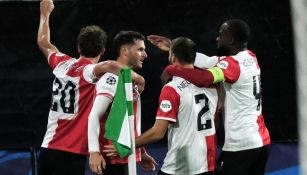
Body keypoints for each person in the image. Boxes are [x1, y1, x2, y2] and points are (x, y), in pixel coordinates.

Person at [150, 19, 271, 175]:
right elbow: (207, 61)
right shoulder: (250, 57)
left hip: (242, 145)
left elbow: (204, 79)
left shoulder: (233, 65)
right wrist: (174, 46)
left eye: (221, 35)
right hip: (262, 141)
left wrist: (173, 68)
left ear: (231, 39)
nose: (217, 38)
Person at [37, 1, 144, 175]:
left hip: (47, 148)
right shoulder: (89, 72)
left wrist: (45, 14)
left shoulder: (61, 64)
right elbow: (110, 64)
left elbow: (43, 42)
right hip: (71, 153)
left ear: (78, 47)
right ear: (102, 50)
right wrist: (139, 79)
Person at [135, 37, 219, 175]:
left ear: (173, 57)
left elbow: (158, 133)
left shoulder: (172, 89)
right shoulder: (212, 85)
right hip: (207, 163)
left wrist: (128, 146)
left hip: (180, 167)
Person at [87, 31, 157, 175]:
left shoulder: (131, 79)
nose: (145, 55)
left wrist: (140, 151)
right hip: (112, 158)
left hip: (126, 154)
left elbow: (127, 119)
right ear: (124, 50)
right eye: (140, 49)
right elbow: (94, 115)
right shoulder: (111, 78)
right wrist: (94, 151)